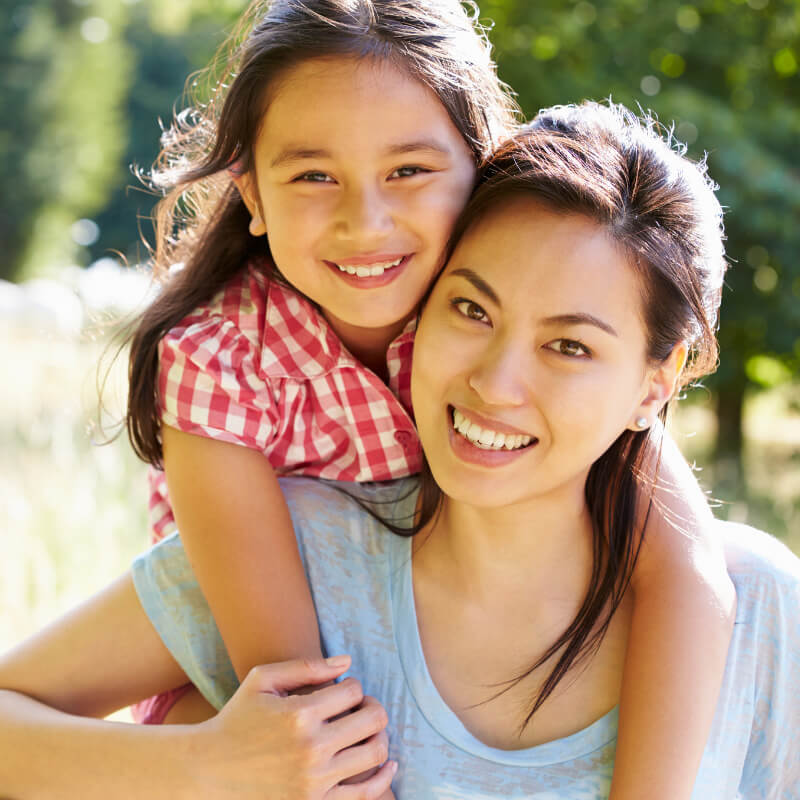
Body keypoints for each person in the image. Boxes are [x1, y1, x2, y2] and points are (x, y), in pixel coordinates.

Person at [4, 0, 733, 793]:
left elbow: (689, 567)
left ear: (481, 166)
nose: (366, 221)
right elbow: (303, 706)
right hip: (250, 707)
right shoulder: (222, 362)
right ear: (250, 190)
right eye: (314, 175)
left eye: (410, 171)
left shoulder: (488, 324)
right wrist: (207, 760)